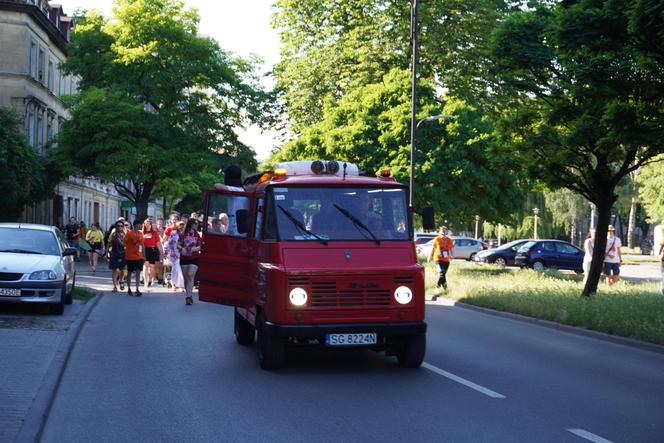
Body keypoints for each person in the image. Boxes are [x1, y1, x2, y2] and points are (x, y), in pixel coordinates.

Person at [179, 219, 202, 306]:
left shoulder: (197, 235)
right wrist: (182, 248)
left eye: (197, 224)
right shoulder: (183, 234)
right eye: (195, 223)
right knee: (186, 278)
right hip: (184, 257)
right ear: (191, 224)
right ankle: (189, 295)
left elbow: (200, 246)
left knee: (190, 275)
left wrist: (194, 249)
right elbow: (178, 244)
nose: (197, 225)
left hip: (194, 257)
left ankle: (188, 297)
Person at [428, 226, 454, 297]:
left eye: (444, 231)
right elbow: (433, 248)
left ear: (446, 232)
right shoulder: (437, 239)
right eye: (442, 231)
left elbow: (451, 249)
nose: (443, 232)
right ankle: (437, 288)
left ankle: (445, 288)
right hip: (437, 259)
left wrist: (451, 255)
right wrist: (429, 257)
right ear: (439, 232)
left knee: (443, 274)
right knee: (441, 273)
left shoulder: (449, 240)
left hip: (446, 260)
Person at [124, 220, 145, 296]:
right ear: (136, 225)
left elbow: (142, 245)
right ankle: (129, 288)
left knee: (138, 272)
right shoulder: (129, 234)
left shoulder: (141, 234)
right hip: (130, 256)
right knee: (129, 272)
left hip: (139, 256)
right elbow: (124, 243)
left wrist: (144, 255)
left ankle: (137, 289)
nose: (141, 226)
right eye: (140, 224)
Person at [164, 221, 185, 293]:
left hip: (183, 253)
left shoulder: (185, 233)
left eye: (182, 225)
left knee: (180, 269)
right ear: (177, 226)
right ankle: (174, 285)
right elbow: (169, 243)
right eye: (180, 225)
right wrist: (166, 252)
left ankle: (180, 285)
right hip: (175, 253)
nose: (181, 226)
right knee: (175, 269)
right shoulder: (173, 233)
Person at [142, 218, 162, 290]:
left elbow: (158, 243)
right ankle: (145, 282)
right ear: (144, 224)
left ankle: (150, 280)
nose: (147, 223)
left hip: (153, 250)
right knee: (145, 266)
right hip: (145, 250)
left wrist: (161, 252)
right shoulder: (142, 233)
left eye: (148, 222)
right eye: (146, 222)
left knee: (152, 267)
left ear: (150, 224)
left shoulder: (154, 233)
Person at [108, 220, 127, 292]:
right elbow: (109, 243)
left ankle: (121, 280)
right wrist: (107, 253)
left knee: (122, 270)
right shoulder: (113, 234)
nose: (120, 227)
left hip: (123, 253)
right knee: (114, 270)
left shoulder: (125, 234)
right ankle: (115, 286)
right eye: (118, 226)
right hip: (114, 253)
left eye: (121, 226)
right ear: (116, 226)